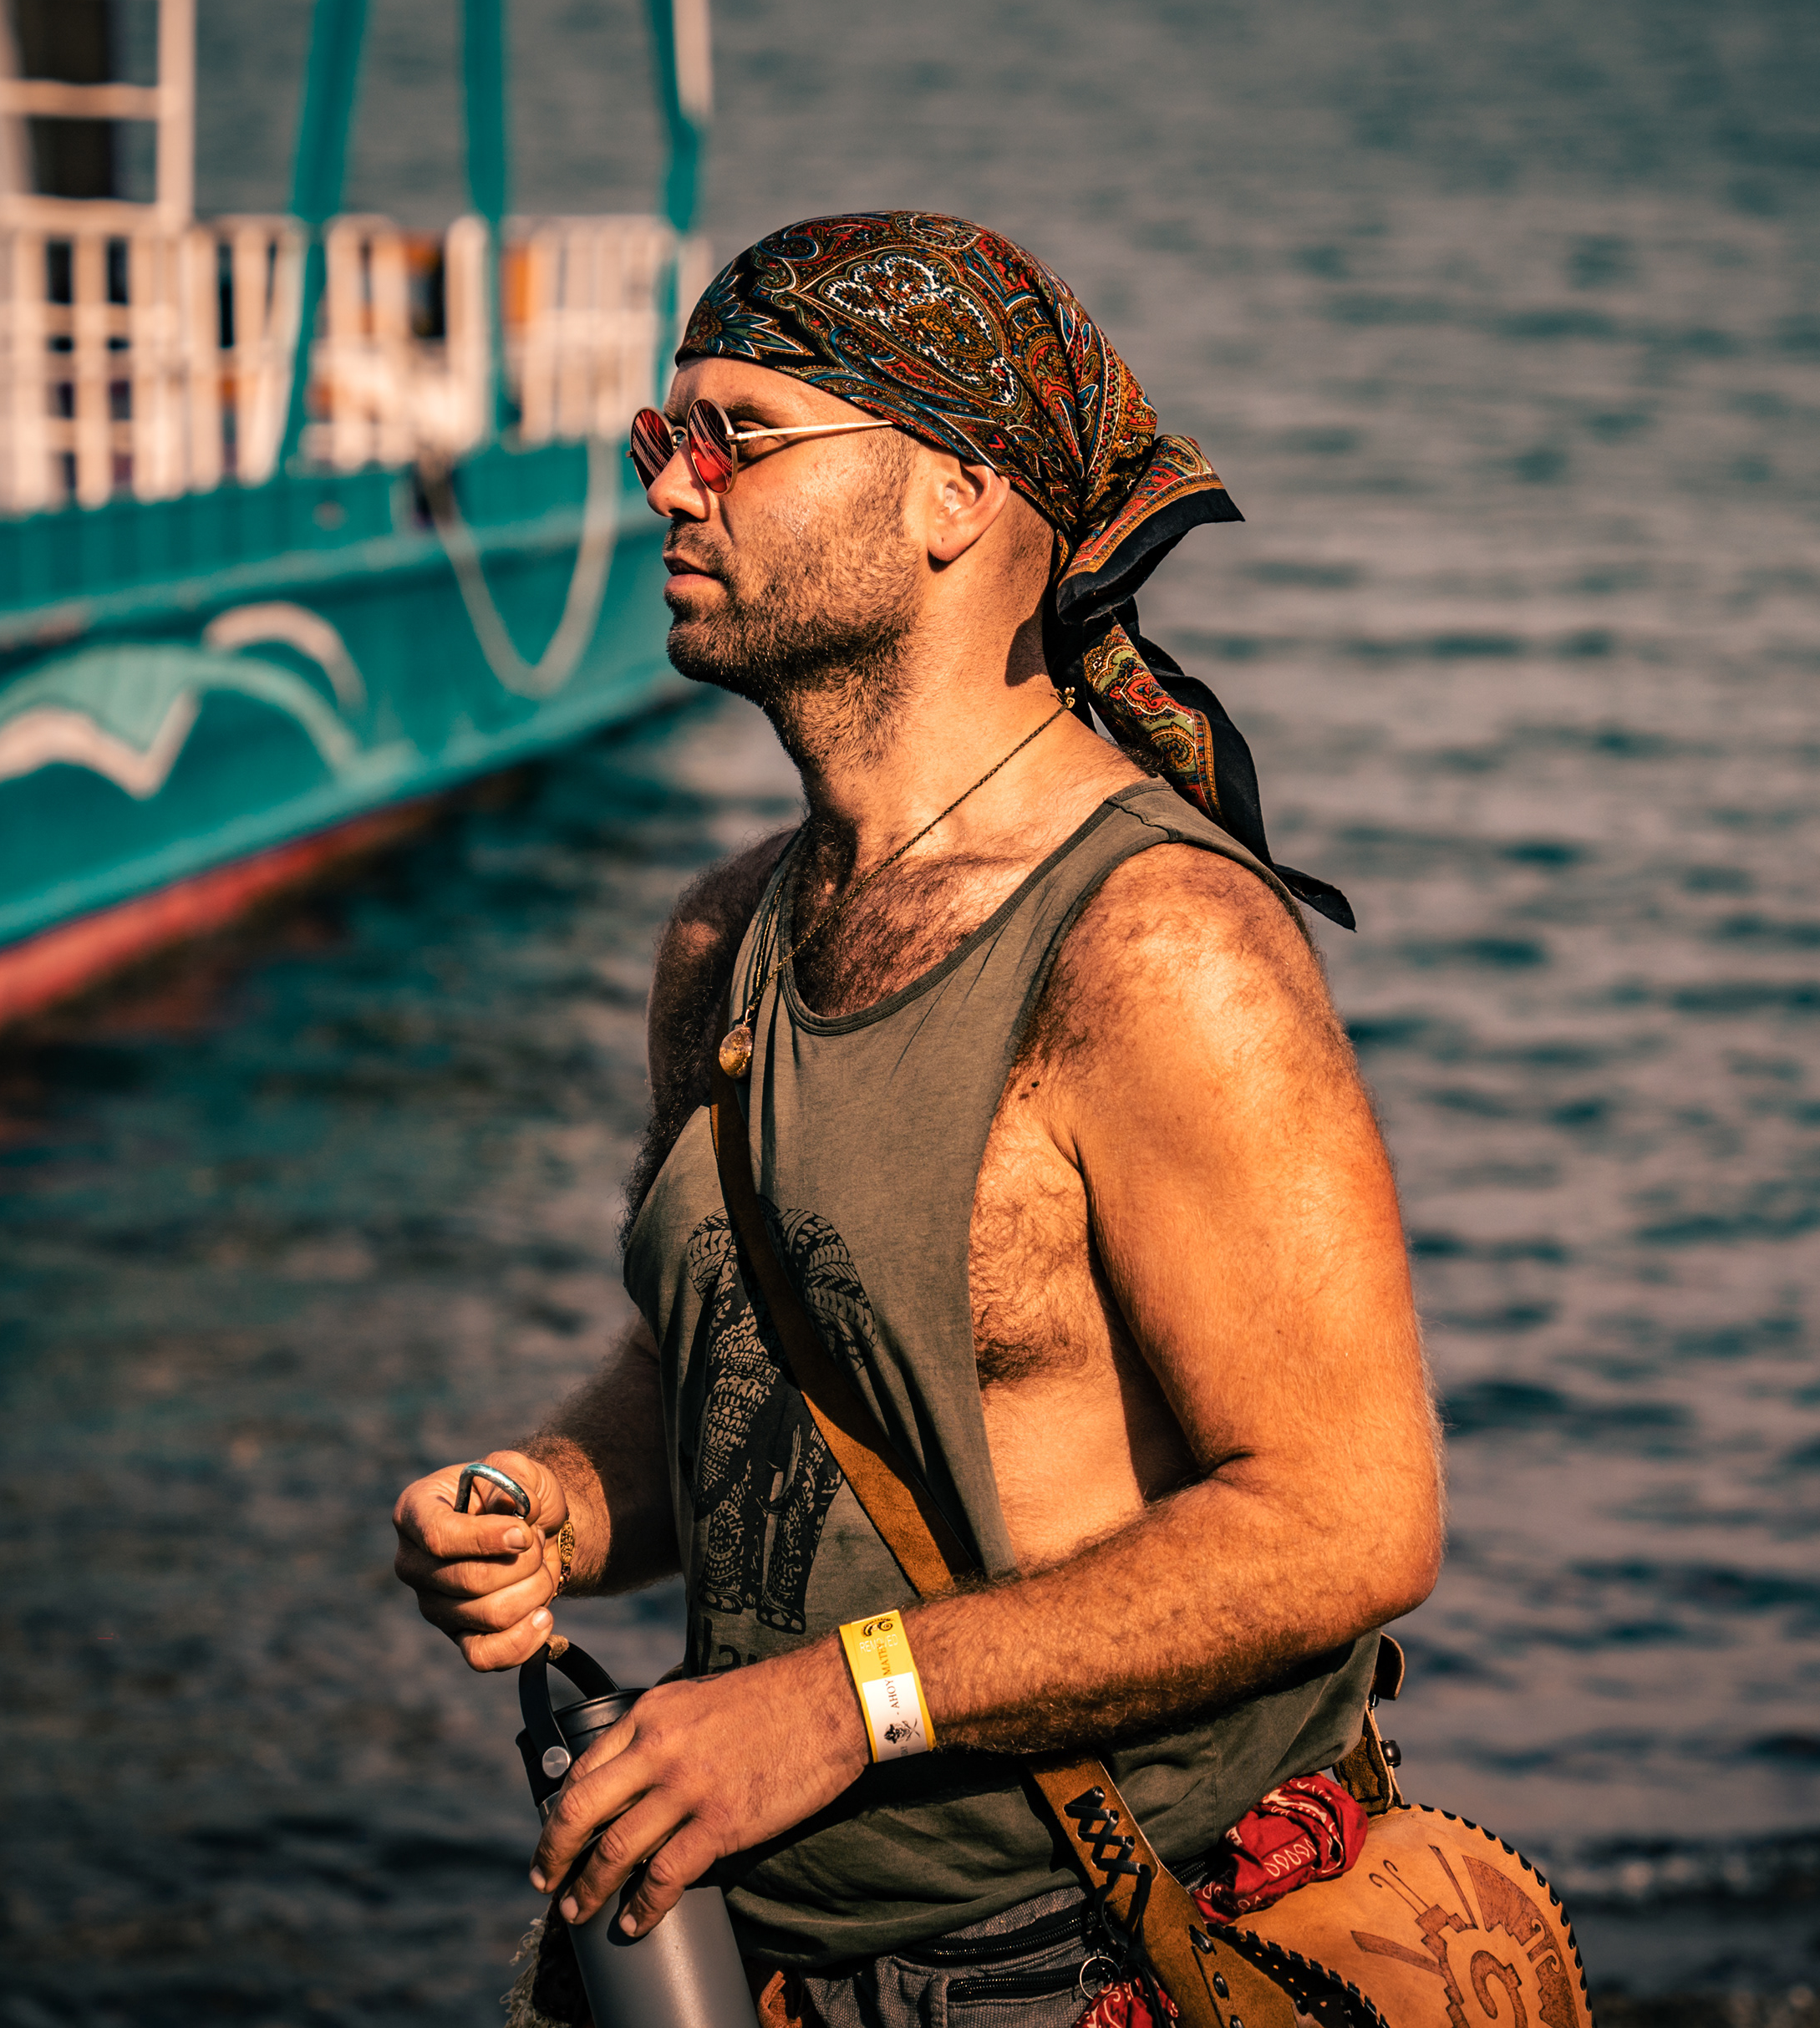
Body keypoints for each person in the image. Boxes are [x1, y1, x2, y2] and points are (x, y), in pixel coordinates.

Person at [392, 211, 1442, 2027]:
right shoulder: (724, 936)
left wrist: (828, 1702)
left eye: (736, 433)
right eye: (659, 438)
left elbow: (1349, 1517)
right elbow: (728, 1371)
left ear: (953, 496)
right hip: (752, 1950)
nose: (669, 490)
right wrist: (554, 1496)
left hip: (1077, 1954)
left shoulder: (1158, 947)